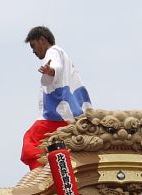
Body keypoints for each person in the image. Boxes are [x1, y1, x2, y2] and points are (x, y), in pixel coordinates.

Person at [21, 26, 91, 169]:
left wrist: (51, 70)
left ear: (42, 40)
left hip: (56, 115)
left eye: (33, 45)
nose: (33, 51)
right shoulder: (65, 56)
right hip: (71, 114)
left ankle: (43, 172)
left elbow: (55, 65)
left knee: (31, 140)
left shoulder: (52, 51)